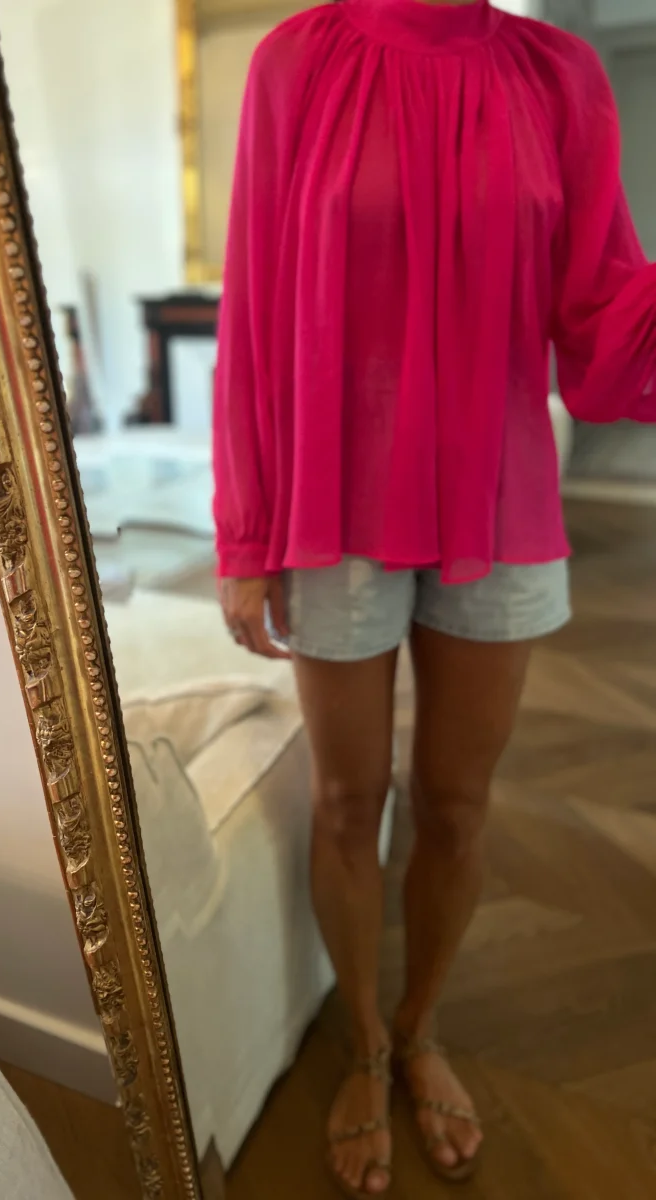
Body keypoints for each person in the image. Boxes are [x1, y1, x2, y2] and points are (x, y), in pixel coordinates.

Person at [213, 1, 656, 1195]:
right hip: (334, 502)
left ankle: (421, 1027)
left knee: (458, 805)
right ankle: (362, 1039)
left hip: (501, 496)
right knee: (347, 800)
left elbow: (598, 320)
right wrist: (245, 530)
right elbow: (253, 305)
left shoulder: (558, 75)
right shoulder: (296, 63)